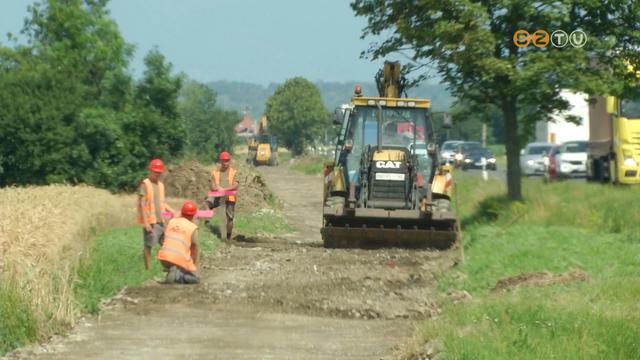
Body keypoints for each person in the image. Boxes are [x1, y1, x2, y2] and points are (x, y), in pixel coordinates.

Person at [137, 158, 177, 270]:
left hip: (162, 221)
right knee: (148, 246)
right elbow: (142, 204)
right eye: (156, 172)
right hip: (151, 222)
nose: (158, 174)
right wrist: (145, 222)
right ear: (150, 170)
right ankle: (148, 270)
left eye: (159, 172)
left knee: (166, 244)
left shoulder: (161, 185)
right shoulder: (145, 184)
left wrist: (172, 211)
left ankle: (168, 267)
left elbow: (162, 202)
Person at [157, 200, 200, 284]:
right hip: (178, 259)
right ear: (193, 215)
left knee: (175, 265)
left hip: (163, 258)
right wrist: (193, 265)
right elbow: (195, 249)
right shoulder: (192, 227)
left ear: (182, 212)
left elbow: (162, 239)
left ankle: (173, 270)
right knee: (195, 280)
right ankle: (179, 275)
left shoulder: (172, 221)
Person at [202, 151, 239, 241]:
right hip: (217, 196)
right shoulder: (215, 172)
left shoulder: (234, 172)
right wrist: (217, 188)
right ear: (220, 161)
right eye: (224, 161)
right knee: (206, 203)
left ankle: (229, 236)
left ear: (229, 161)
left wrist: (225, 190)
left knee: (230, 218)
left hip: (230, 197)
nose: (225, 163)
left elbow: (236, 185)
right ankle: (207, 224)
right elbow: (212, 186)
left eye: (227, 161)